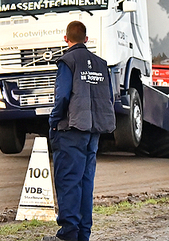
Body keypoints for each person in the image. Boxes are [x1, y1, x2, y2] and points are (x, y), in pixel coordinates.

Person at [43, 20, 115, 241]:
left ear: (66, 39)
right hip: (93, 132)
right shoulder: (101, 64)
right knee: (85, 182)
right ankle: (83, 234)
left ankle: (68, 234)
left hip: (71, 131)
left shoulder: (67, 62)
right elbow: (109, 97)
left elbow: (62, 96)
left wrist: (54, 121)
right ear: (86, 39)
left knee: (68, 181)